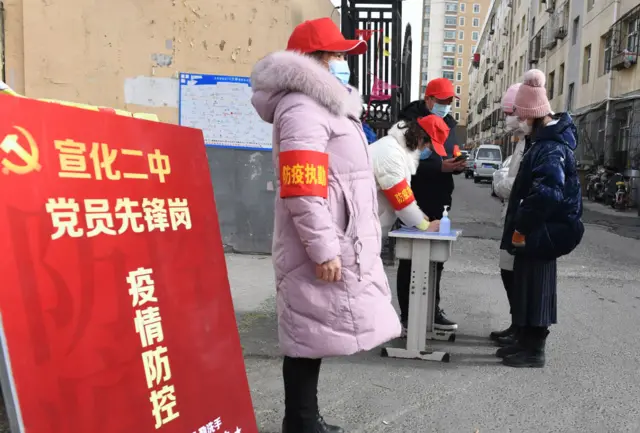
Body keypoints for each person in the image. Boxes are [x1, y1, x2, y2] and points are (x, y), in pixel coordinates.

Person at [250, 17, 401, 432]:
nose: (342, 62)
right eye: (336, 54)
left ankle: (304, 419)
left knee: (310, 335)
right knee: (303, 335)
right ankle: (299, 422)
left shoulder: (323, 106)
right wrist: (325, 248)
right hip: (315, 245)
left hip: (326, 238)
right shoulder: (302, 108)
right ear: (312, 61)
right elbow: (303, 188)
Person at [497, 69, 584, 368]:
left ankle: (534, 350)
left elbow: (547, 194)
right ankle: (525, 342)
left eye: (521, 115)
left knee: (537, 287)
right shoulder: (542, 142)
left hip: (545, 230)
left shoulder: (551, 147)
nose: (518, 120)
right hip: (540, 227)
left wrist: (522, 226)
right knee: (527, 284)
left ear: (533, 114)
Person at [395, 78, 466, 331]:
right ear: (428, 100)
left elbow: (448, 151)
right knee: (410, 258)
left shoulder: (449, 124)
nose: (446, 106)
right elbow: (404, 162)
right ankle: (407, 315)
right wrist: (439, 166)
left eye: (449, 102)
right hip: (414, 197)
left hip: (440, 197)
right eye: (442, 101)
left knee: (437, 259)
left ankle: (431, 311)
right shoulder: (408, 123)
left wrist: (455, 165)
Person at [489, 83, 527, 346]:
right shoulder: (522, 140)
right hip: (512, 216)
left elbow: (514, 182)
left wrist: (502, 182)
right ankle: (516, 325)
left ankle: (521, 330)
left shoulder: (536, 140)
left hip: (522, 219)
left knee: (517, 276)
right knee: (508, 272)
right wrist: (503, 179)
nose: (507, 119)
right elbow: (506, 174)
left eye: (509, 113)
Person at [370, 115, 451, 236]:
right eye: (428, 146)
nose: (427, 151)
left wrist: (418, 216)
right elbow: (401, 201)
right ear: (420, 137)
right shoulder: (391, 154)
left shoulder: (398, 151)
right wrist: (425, 226)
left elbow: (403, 193)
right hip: (356, 225)